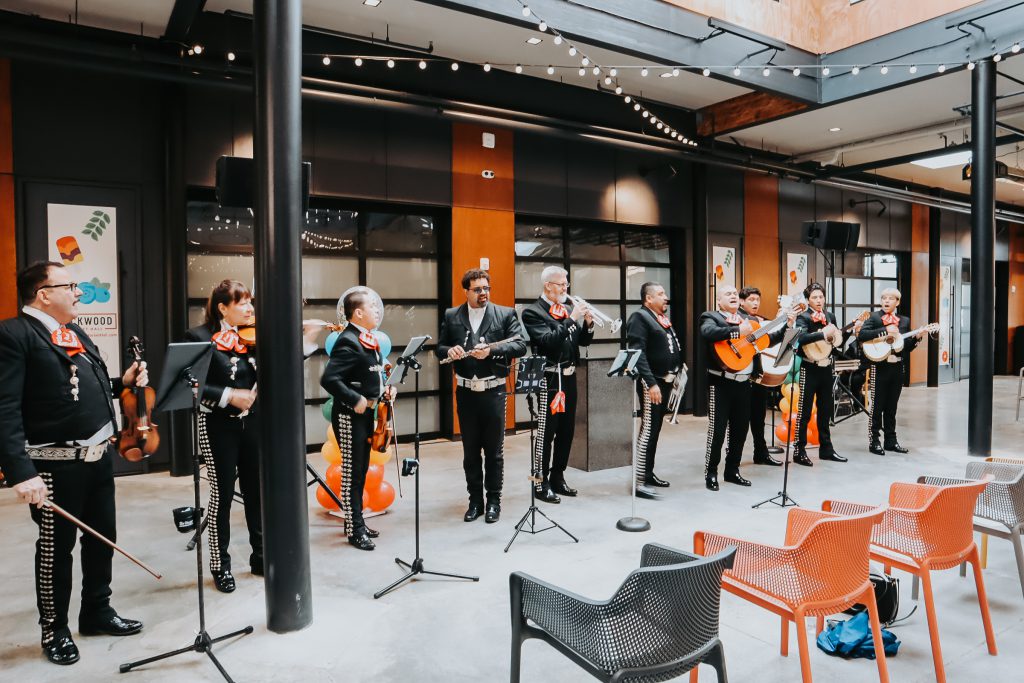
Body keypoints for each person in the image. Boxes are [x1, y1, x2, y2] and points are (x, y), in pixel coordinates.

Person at [0, 261, 146, 666]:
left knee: (102, 539)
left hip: (98, 459)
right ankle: (55, 629)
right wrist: (20, 471)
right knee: (55, 550)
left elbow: (89, 386)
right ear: (43, 293)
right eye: (71, 286)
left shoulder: (73, 332)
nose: (79, 293)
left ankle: (97, 611)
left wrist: (124, 383)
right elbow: (4, 407)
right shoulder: (13, 335)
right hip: (52, 465)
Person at [185, 280, 262, 592]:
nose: (249, 309)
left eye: (249, 303)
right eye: (242, 303)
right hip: (217, 424)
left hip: (253, 423)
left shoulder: (253, 337)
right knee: (222, 497)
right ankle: (220, 565)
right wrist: (229, 395)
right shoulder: (200, 337)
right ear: (222, 307)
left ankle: (261, 556)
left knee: (257, 492)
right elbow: (191, 383)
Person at [436, 269, 526, 523]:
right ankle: (475, 502)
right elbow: (439, 347)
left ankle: (494, 501)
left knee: (494, 452)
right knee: (470, 451)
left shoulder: (505, 313)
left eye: (486, 288)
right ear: (466, 291)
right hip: (465, 392)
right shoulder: (452, 315)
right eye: (477, 289)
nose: (483, 293)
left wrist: (491, 353)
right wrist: (449, 350)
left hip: (494, 391)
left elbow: (519, 344)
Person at [320, 287, 394, 550]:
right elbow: (329, 379)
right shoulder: (348, 340)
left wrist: (384, 389)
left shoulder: (367, 339)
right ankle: (354, 529)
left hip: (366, 416)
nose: (377, 310)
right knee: (353, 473)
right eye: (372, 306)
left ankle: (357, 522)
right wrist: (356, 399)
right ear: (358, 312)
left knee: (361, 470)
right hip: (350, 416)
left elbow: (369, 375)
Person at [700, 285, 790, 491]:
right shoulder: (711, 316)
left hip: (744, 383)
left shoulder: (748, 320)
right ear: (718, 300)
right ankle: (711, 473)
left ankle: (732, 470)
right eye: (728, 294)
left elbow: (770, 339)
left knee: (740, 430)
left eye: (734, 293)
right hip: (720, 383)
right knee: (717, 430)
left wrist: (786, 324)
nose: (732, 295)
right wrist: (737, 332)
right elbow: (708, 333)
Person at [520, 266, 594, 503]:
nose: (565, 288)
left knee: (567, 430)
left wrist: (588, 324)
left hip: (569, 376)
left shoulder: (566, 309)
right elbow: (549, 342)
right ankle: (540, 483)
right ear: (548, 286)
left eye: (566, 284)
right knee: (546, 432)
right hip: (548, 379)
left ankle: (558, 476)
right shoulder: (532, 312)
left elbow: (580, 341)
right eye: (562, 284)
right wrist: (572, 319)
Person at [625, 281, 682, 498]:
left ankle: (647, 473)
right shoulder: (640, 317)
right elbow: (637, 352)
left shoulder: (660, 318)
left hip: (666, 381)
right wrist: (651, 384)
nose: (665, 297)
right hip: (653, 383)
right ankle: (638, 482)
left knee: (655, 429)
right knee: (648, 430)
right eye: (660, 294)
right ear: (648, 298)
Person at [858, 287, 927, 455]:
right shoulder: (874, 317)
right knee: (877, 406)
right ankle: (874, 441)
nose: (886, 301)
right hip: (879, 367)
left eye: (891, 298)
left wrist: (918, 337)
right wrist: (885, 330)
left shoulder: (904, 321)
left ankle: (891, 441)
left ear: (897, 302)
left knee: (892, 407)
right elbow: (862, 335)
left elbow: (905, 347)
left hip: (897, 367)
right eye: (884, 298)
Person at [792, 282, 846, 466]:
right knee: (804, 412)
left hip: (826, 368)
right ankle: (799, 451)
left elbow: (837, 342)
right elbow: (800, 339)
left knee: (826, 411)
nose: (818, 300)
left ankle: (827, 449)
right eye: (814, 297)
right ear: (808, 300)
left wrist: (845, 334)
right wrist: (823, 334)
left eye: (821, 296)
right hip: (809, 368)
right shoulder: (803, 317)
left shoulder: (830, 316)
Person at [738, 286, 782, 467]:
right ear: (741, 301)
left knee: (759, 418)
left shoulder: (762, 320)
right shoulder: (738, 320)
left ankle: (761, 453)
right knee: (739, 420)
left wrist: (781, 319)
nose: (755, 303)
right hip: (741, 374)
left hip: (758, 373)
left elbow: (772, 336)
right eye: (751, 300)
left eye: (757, 300)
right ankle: (733, 457)